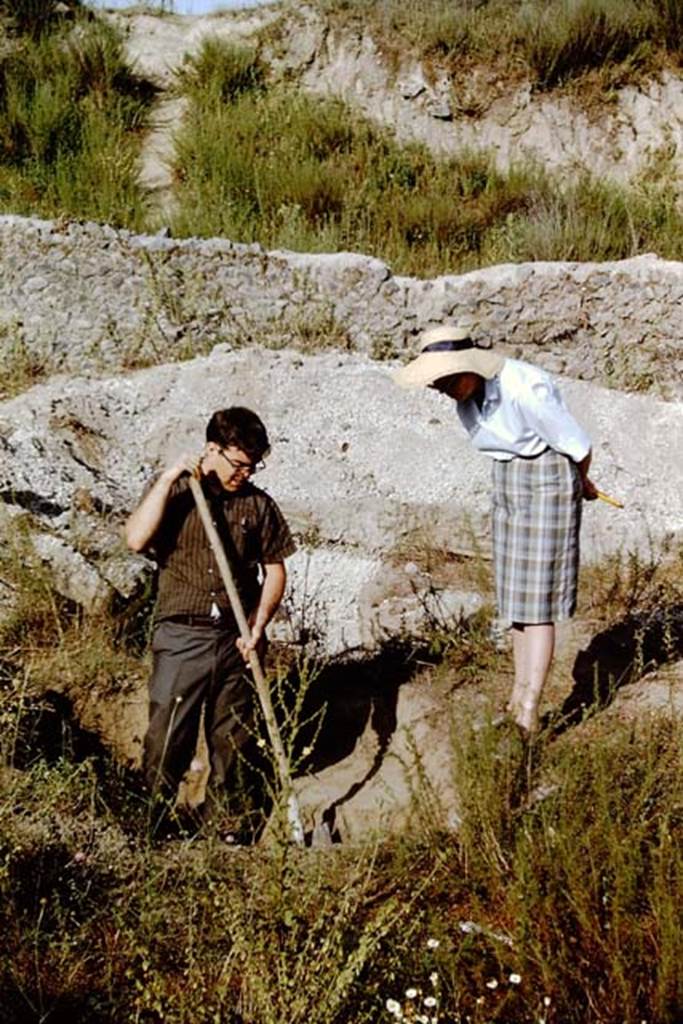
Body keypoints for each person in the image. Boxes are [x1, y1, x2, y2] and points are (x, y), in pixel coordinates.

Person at [393, 325, 597, 736]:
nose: (444, 389)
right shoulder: (466, 400)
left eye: (448, 380)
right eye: (438, 384)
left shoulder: (526, 387)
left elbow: (578, 446)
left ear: (468, 366)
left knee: (537, 601)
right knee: (517, 599)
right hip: (508, 480)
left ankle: (529, 711)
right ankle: (517, 693)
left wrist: (582, 484)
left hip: (548, 480)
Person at [125, 406, 296, 839]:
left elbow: (275, 571)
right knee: (168, 736)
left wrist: (258, 627)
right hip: (182, 634)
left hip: (237, 637)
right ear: (211, 450)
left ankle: (227, 826)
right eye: (239, 463)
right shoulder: (178, 493)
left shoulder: (258, 504)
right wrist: (167, 479)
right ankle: (153, 822)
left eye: (254, 464)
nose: (246, 472)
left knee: (234, 741)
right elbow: (136, 539)